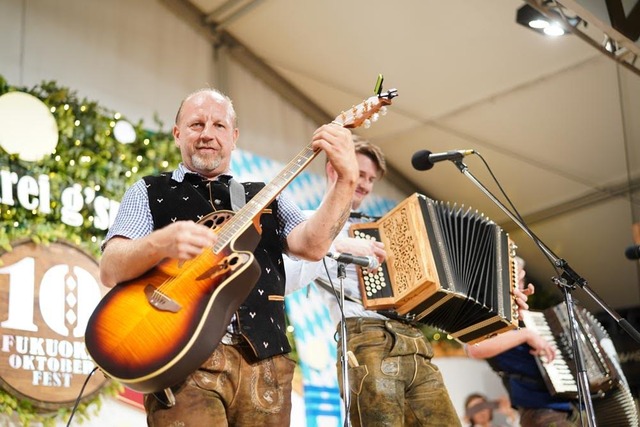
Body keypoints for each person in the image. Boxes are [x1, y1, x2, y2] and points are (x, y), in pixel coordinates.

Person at [99, 87, 359, 426]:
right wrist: (161, 243)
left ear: (234, 137)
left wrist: (346, 181)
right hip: (183, 362)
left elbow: (312, 245)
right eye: (196, 124)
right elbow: (110, 267)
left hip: (265, 366)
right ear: (177, 134)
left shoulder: (266, 196)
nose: (208, 134)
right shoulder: (148, 191)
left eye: (219, 126)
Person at [284, 138, 462, 426]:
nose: (365, 184)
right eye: (359, 174)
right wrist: (342, 244)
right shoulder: (310, 222)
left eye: (370, 179)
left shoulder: (385, 226)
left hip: (413, 339)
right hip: (365, 337)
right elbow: (291, 275)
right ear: (334, 169)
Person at [465, 257, 582, 427]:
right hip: (540, 410)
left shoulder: (520, 318)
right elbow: (474, 348)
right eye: (516, 279)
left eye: (522, 280)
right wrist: (525, 334)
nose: (523, 287)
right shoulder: (487, 312)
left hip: (567, 406)